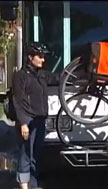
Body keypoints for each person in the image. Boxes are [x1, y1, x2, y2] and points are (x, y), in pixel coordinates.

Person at [12, 42, 60, 189]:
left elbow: (59, 78)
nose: (43, 60)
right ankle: (24, 186)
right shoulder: (21, 76)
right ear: (30, 57)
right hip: (28, 122)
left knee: (35, 156)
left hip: (40, 122)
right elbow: (17, 100)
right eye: (40, 57)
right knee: (25, 156)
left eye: (44, 57)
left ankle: (33, 184)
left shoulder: (42, 75)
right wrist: (23, 123)